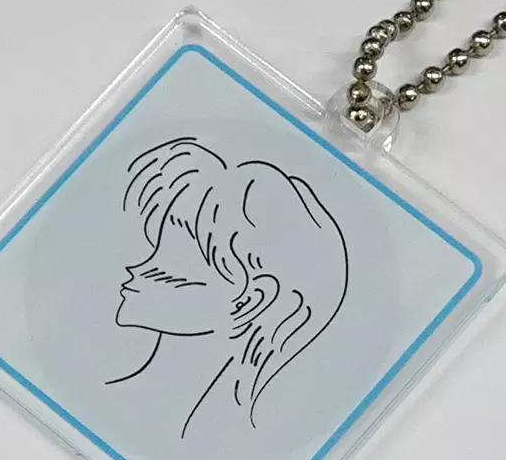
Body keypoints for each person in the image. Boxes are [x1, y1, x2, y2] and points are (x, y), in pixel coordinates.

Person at [108, 136, 348, 439]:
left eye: (177, 256)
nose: (137, 268)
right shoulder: (116, 403)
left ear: (251, 299)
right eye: (157, 246)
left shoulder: (233, 438)